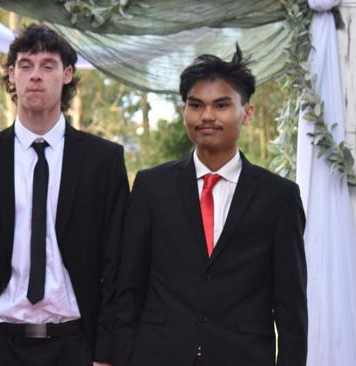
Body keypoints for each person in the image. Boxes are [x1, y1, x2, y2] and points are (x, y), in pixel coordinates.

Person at [0, 24, 129, 366]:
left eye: (48, 65)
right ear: (11, 75)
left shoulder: (104, 161)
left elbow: (118, 263)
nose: (35, 76)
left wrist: (107, 354)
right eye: (26, 65)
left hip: (76, 344)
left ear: (68, 75)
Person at [114, 47, 307, 366]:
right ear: (184, 111)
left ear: (247, 112)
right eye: (196, 105)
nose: (207, 116)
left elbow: (291, 307)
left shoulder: (280, 197)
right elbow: (129, 288)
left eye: (221, 105)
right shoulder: (151, 186)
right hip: (158, 355)